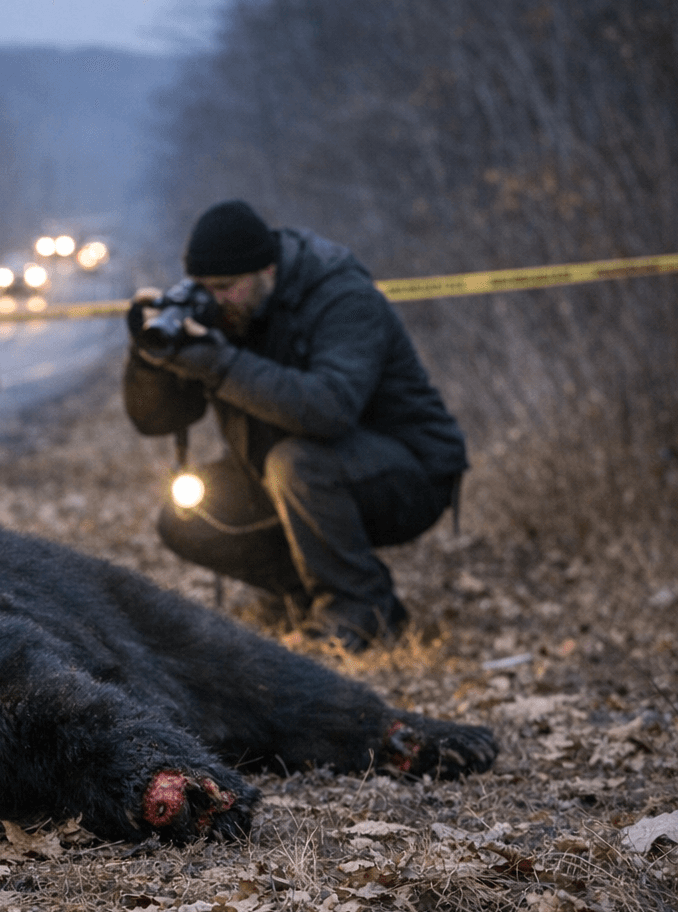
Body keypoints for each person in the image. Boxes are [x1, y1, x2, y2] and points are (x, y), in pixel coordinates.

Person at [124, 200, 467, 650]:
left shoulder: (342, 296)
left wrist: (221, 365)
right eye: (205, 287)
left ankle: (361, 608)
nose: (217, 299)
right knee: (187, 515)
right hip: (285, 470)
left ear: (266, 270)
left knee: (297, 464)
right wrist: (150, 360)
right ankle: (305, 593)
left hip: (410, 472)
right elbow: (156, 421)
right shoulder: (221, 309)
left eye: (227, 287)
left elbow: (330, 408)